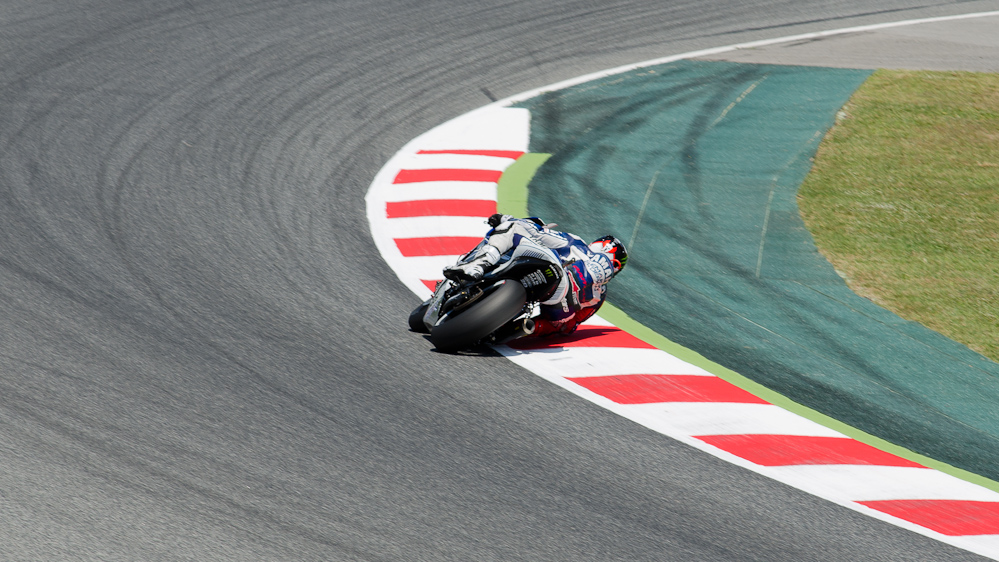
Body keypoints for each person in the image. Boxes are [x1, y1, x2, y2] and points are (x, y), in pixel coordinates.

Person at [443, 214, 627, 337]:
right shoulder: (600, 296)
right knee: (545, 324)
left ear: (600, 244)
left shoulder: (577, 244)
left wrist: (510, 220)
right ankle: (512, 329)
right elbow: (568, 327)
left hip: (552, 268)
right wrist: (535, 327)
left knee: (513, 226)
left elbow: (540, 234)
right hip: (557, 305)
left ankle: (476, 266)